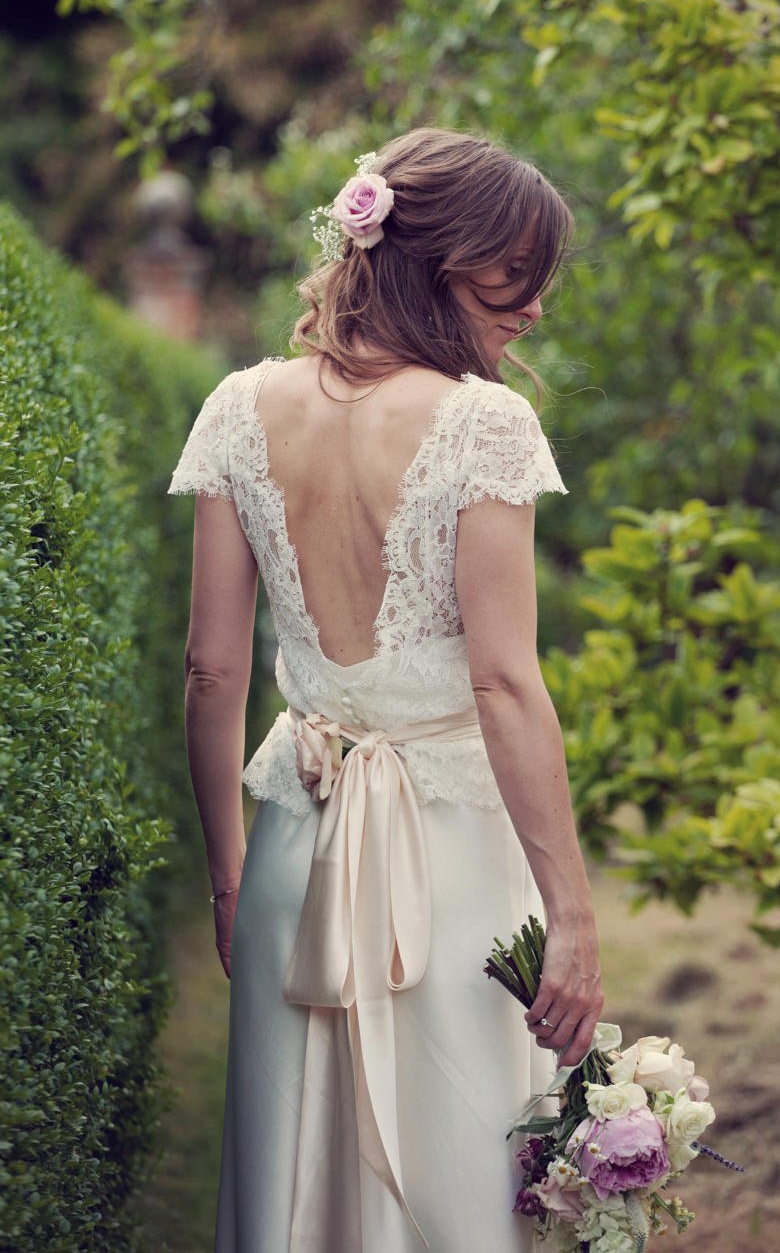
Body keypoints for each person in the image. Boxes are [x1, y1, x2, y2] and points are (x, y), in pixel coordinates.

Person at [168, 127, 603, 1253]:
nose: (535, 310)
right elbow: (506, 686)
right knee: (453, 1149)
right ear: (439, 259)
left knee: (290, 1153)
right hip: (450, 850)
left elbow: (211, 670)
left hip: (290, 843)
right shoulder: (482, 423)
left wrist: (228, 876)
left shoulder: (236, 406)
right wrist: (572, 915)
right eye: (518, 277)